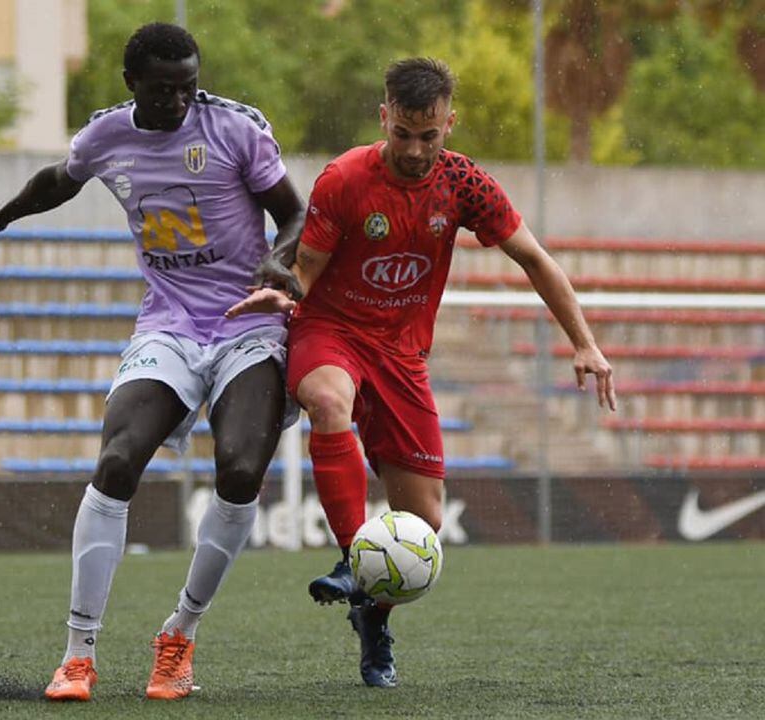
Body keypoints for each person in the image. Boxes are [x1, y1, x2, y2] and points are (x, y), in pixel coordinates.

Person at [229, 57, 617, 688]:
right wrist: (284, 294)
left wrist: (585, 344)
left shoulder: (465, 185)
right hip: (332, 332)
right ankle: (356, 561)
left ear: (449, 124)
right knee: (328, 404)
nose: (414, 149)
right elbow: (307, 272)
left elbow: (536, 260)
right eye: (402, 133)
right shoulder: (345, 180)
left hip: (403, 355)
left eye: (428, 136)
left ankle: (372, 620)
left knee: (424, 527)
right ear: (385, 116)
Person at [0, 22, 305, 701]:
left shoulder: (234, 130)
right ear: (130, 84)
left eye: (188, 86)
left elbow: (295, 214)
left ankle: (180, 635)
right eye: (164, 89)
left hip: (247, 325)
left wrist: (276, 259)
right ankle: (78, 653)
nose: (179, 101)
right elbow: (57, 180)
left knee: (239, 468)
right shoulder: (107, 135)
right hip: (168, 324)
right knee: (115, 462)